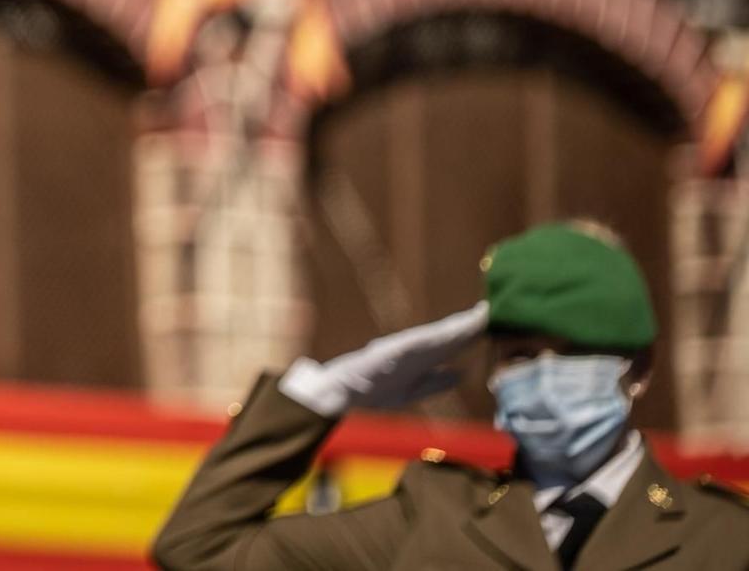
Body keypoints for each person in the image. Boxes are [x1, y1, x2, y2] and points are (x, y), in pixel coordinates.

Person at [152, 220, 749, 569]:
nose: (543, 374)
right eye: (518, 355)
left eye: (570, 353)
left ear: (638, 370)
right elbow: (198, 547)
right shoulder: (433, 515)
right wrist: (326, 392)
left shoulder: (725, 539)